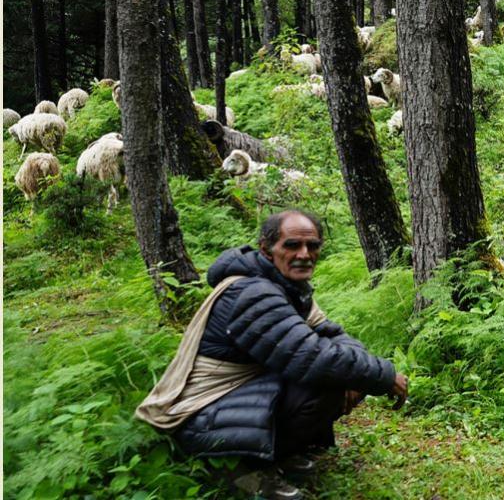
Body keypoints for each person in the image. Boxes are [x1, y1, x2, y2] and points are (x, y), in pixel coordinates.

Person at [136, 209, 408, 500]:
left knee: (341, 375)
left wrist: (363, 374)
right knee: (325, 381)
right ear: (267, 250)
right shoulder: (254, 293)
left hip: (232, 401)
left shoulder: (288, 287)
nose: (304, 254)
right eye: (292, 245)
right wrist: (383, 375)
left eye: (312, 245)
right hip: (197, 416)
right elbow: (312, 357)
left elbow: (331, 334)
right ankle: (240, 469)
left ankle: (277, 454)